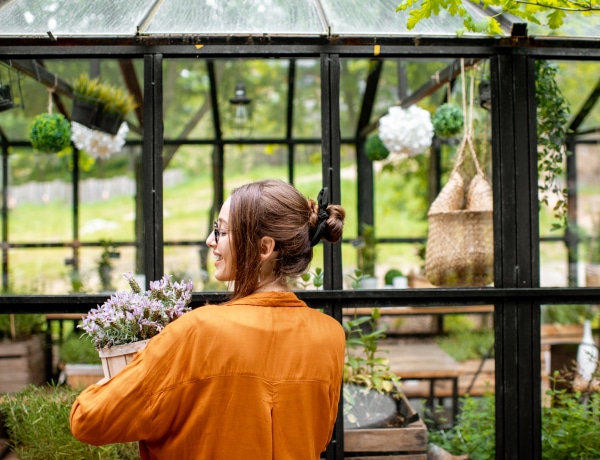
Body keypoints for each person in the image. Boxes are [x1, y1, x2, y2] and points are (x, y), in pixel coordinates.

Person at [70, 178, 347, 460]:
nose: (210, 240)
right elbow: (319, 437)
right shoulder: (331, 335)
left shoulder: (197, 330)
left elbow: (89, 419)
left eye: (223, 231)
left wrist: (127, 372)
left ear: (264, 248)